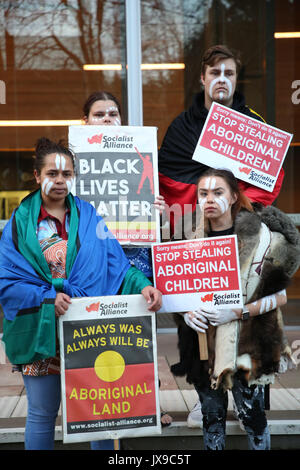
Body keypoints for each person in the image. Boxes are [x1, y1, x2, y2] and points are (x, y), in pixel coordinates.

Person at [0, 137, 162, 450]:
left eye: (66, 174)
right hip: (40, 330)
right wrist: (47, 297)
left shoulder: (88, 215)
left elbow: (115, 264)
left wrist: (142, 285)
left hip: (89, 330)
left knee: (98, 414)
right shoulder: (20, 224)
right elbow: (7, 280)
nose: (60, 181)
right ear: (37, 176)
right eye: (52, 174)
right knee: (42, 413)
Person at [169, 168, 300, 450]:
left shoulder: (262, 239)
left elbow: (279, 298)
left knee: (252, 416)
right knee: (211, 416)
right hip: (204, 344)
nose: (210, 199)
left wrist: (237, 311)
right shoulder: (189, 240)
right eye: (203, 194)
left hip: (248, 343)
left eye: (218, 193)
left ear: (233, 197)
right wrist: (186, 313)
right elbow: (176, 292)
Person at [82, 92, 172, 426]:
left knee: (138, 336)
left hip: (136, 263)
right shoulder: (75, 167)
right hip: (94, 266)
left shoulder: (139, 157)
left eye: (113, 114)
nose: (107, 119)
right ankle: (105, 407)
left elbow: (160, 224)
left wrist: (161, 216)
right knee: (101, 336)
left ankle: (149, 402)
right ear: (86, 122)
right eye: (99, 114)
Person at [158, 45, 285, 235]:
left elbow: (270, 179)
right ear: (203, 78)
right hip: (190, 233)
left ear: (236, 79)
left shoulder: (254, 125)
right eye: (215, 73)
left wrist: (233, 208)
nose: (222, 80)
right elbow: (164, 180)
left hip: (238, 231)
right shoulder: (181, 126)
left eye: (229, 74)